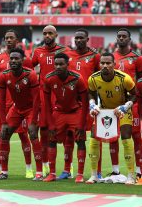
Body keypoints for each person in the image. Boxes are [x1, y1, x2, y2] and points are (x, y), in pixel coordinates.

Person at [0, 29, 33, 179]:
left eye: (11, 38)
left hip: (18, 104)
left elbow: (30, 79)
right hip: (2, 103)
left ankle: (29, 168)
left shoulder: (24, 59)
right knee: (0, 135)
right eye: (6, 38)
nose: (8, 40)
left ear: (17, 40)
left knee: (23, 135)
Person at [86, 53, 136, 185]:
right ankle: (93, 175)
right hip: (104, 110)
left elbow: (135, 94)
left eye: (108, 63)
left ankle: (131, 175)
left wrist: (126, 106)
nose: (105, 66)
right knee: (94, 138)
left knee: (126, 137)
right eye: (102, 63)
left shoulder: (124, 78)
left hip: (121, 110)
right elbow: (90, 93)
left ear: (114, 64)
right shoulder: (93, 79)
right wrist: (92, 105)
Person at [0, 48, 43, 180]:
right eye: (12, 58)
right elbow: (2, 100)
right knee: (4, 133)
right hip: (16, 109)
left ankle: (39, 172)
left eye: (17, 58)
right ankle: (4, 172)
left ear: (22, 60)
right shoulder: (4, 76)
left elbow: (36, 100)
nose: (14, 61)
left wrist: (33, 121)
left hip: (30, 109)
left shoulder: (31, 75)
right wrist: (3, 122)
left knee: (32, 134)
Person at [31, 25, 72, 177]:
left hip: (61, 94)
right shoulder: (38, 52)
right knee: (45, 131)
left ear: (56, 35)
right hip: (44, 96)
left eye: (50, 33)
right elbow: (29, 68)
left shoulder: (65, 51)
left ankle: (69, 167)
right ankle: (45, 166)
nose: (47, 35)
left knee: (67, 131)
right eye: (44, 33)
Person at [42, 53, 88, 183]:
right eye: (56, 64)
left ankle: (79, 174)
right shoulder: (49, 78)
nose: (58, 66)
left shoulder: (77, 78)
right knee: (51, 139)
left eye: (61, 64)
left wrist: (82, 123)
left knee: (80, 140)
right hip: (59, 112)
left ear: (67, 65)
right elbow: (46, 104)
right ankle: (52, 173)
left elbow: (84, 103)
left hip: (75, 112)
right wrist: (50, 123)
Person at [66, 28, 101, 180]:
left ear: (87, 40)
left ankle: (97, 171)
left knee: (95, 136)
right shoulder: (68, 55)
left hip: (92, 102)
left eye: (82, 38)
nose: (78, 40)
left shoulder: (95, 56)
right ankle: (68, 170)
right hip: (72, 102)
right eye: (77, 37)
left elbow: (102, 76)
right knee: (70, 135)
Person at [112, 28, 142, 179]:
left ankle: (138, 171)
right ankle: (115, 170)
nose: (121, 38)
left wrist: (136, 98)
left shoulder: (137, 59)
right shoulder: (111, 57)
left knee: (135, 136)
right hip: (113, 102)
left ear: (129, 39)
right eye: (119, 36)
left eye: (124, 36)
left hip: (133, 103)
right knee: (113, 135)